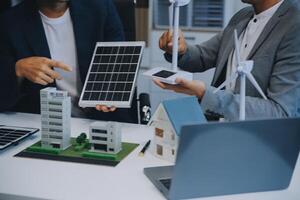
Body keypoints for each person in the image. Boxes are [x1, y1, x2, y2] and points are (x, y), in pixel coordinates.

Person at [156, 0, 300, 121]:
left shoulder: (294, 23)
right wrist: (181, 50)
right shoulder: (242, 16)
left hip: (260, 142)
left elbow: (280, 112)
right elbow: (203, 56)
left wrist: (206, 94)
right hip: (222, 131)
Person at [0, 0, 138, 123]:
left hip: (103, 120)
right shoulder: (9, 22)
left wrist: (111, 93)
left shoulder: (101, 8)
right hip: (44, 125)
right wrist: (18, 69)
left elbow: (118, 63)